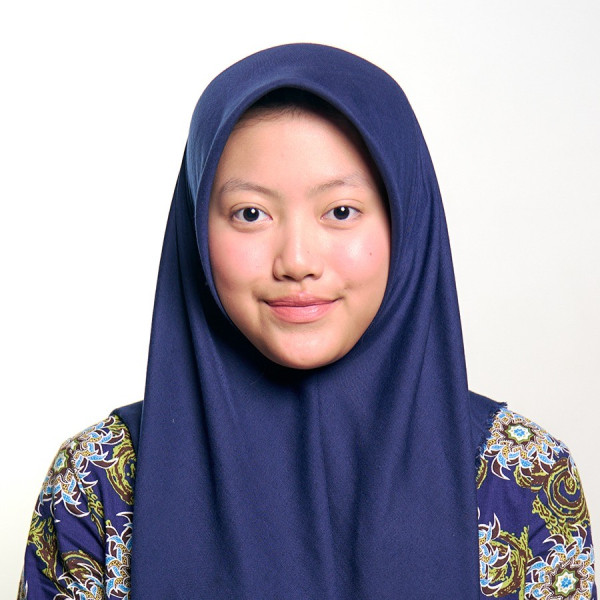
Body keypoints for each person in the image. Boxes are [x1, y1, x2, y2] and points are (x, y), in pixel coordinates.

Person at [18, 43, 595, 600]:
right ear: (195, 231)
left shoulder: (521, 480)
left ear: (407, 221)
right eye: (250, 213)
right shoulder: (98, 485)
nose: (296, 260)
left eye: (340, 211)